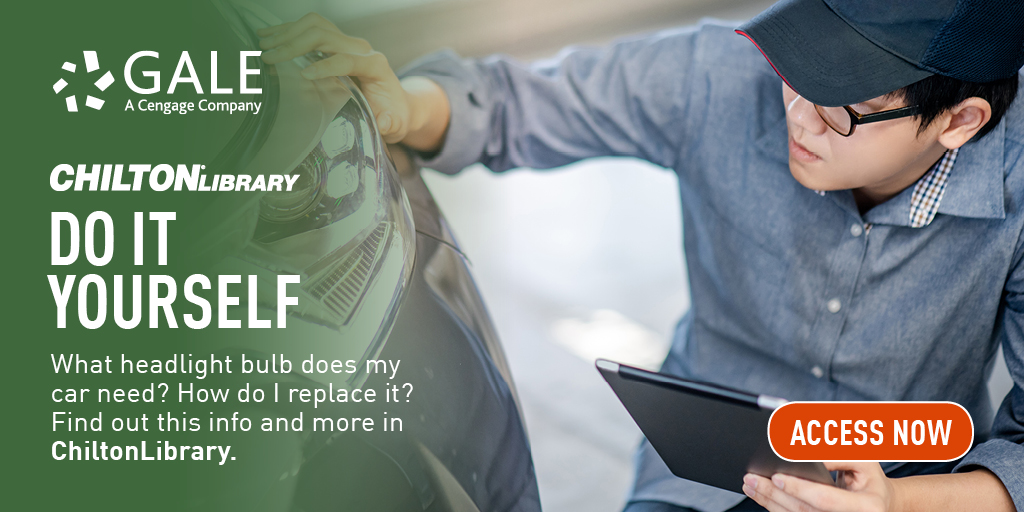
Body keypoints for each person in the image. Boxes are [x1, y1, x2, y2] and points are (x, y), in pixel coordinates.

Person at [257, 0, 1024, 510]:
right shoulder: (718, 76)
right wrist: (405, 104)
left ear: (958, 120)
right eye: (793, 71)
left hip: (911, 488)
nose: (795, 111)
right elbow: (523, 105)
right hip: (704, 479)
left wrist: (895, 502)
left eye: (834, 108)